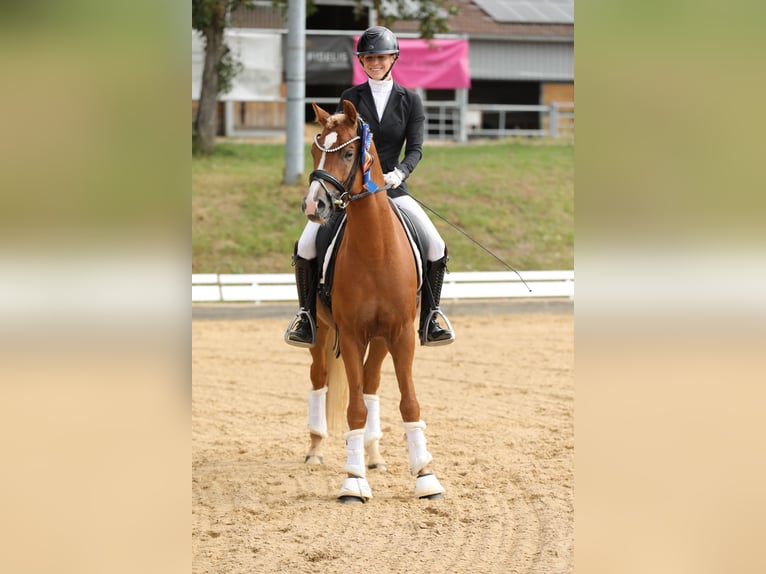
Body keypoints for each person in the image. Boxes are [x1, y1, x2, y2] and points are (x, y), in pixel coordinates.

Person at [285, 25, 454, 348]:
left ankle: (430, 317)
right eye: (369, 57)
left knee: (436, 245)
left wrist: (400, 173)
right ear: (362, 61)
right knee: (306, 246)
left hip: (394, 190)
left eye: (381, 57)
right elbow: (338, 142)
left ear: (393, 59)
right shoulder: (351, 98)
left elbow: (416, 148)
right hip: (355, 195)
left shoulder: (410, 101)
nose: (375, 62)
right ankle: (306, 317)